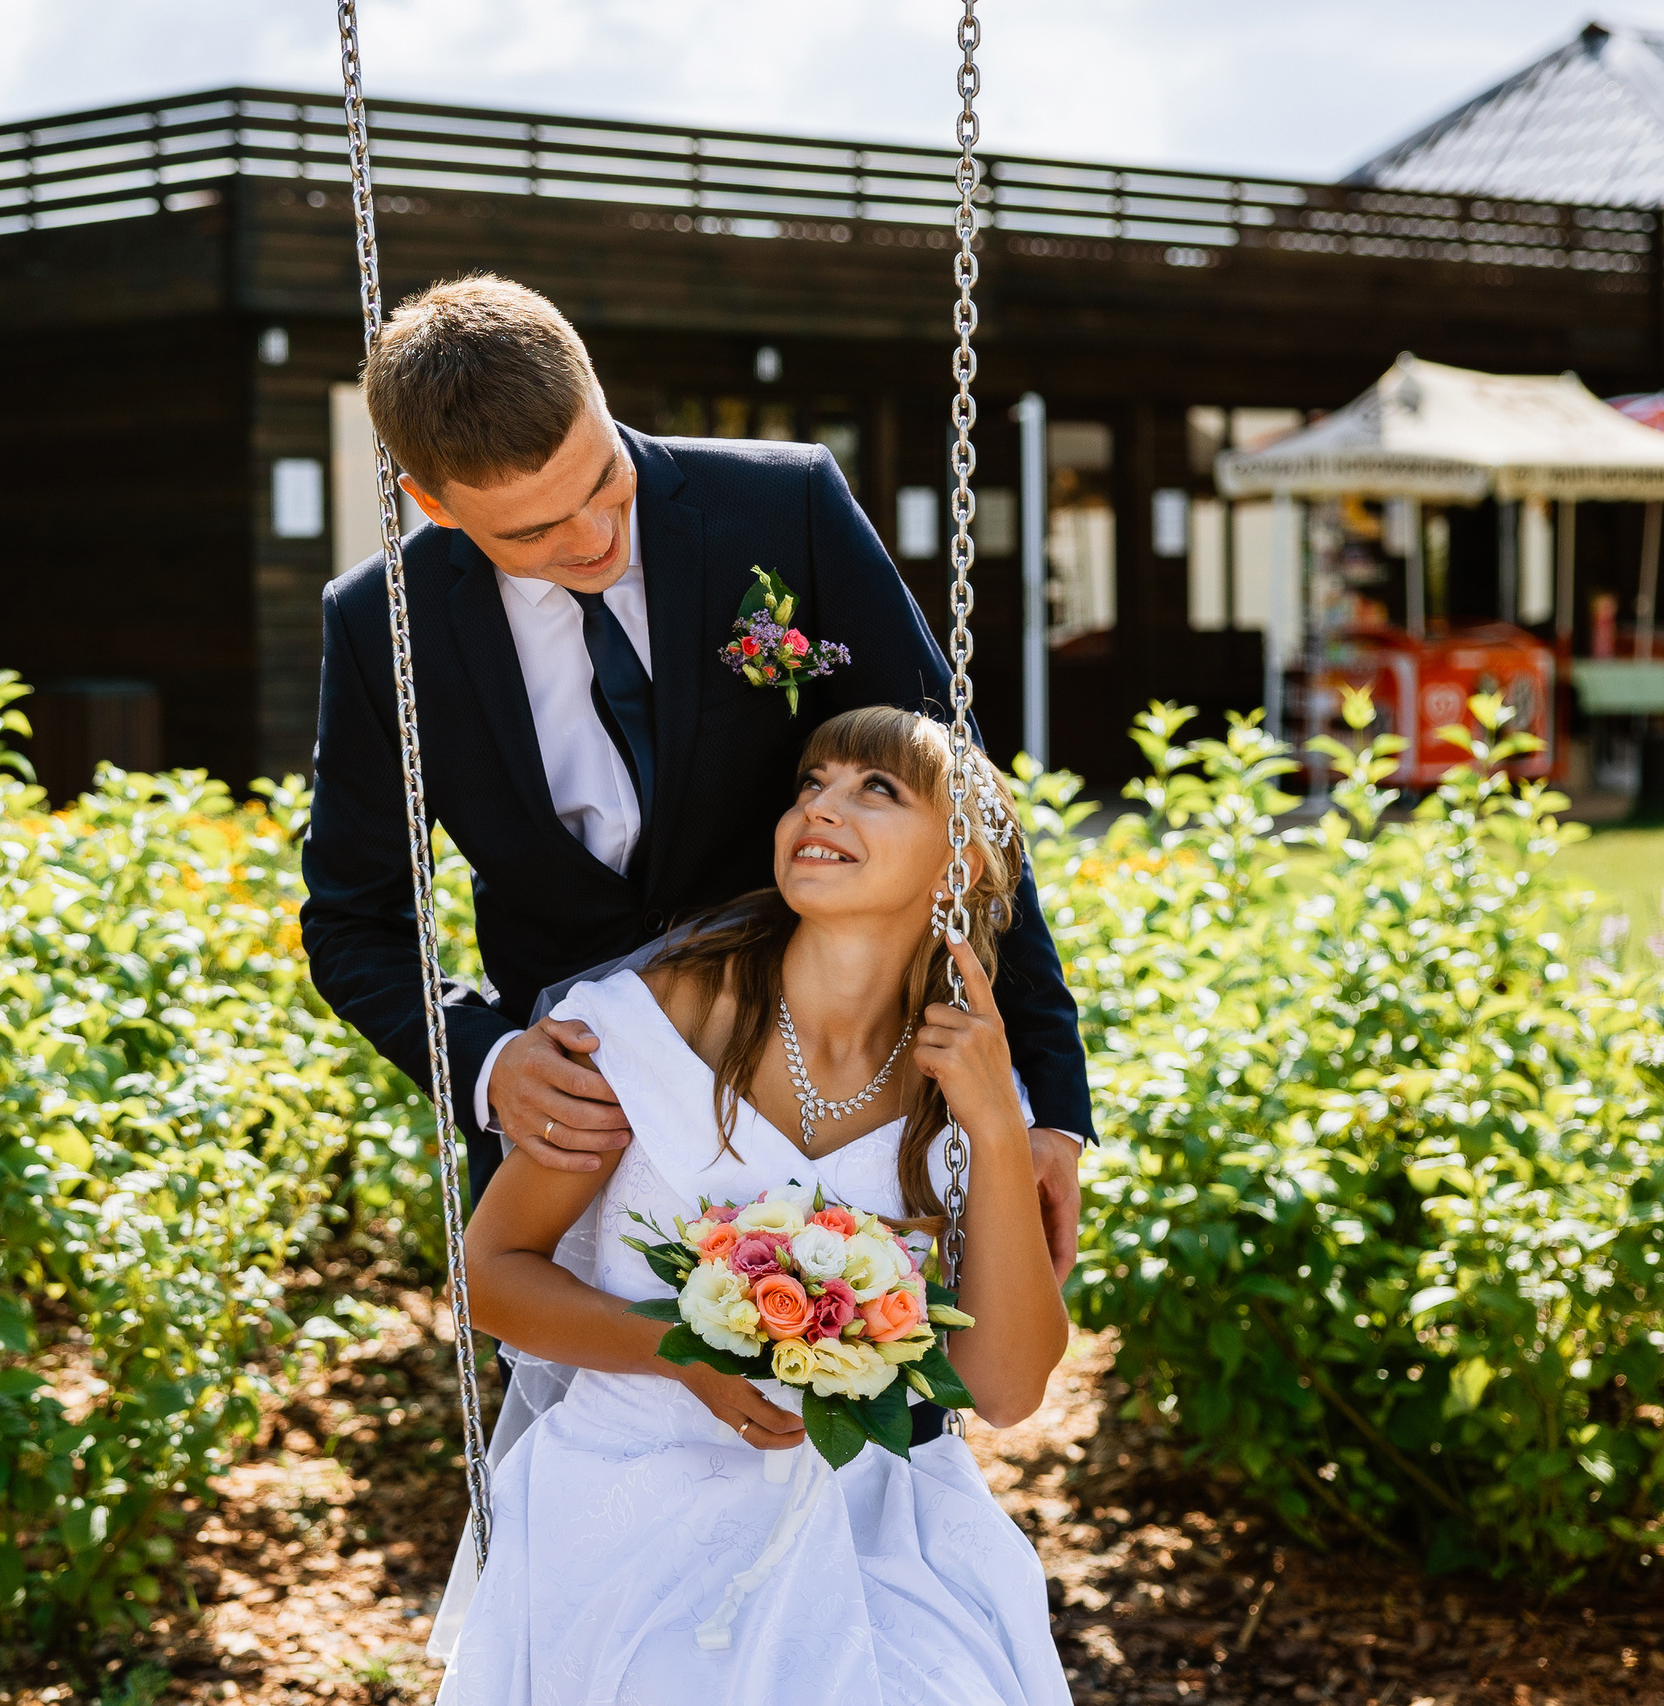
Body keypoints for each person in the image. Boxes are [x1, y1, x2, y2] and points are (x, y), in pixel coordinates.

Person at [299, 274, 1096, 1281]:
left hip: (839, 1088)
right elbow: (351, 916)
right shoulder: (382, 624)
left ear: (596, 393)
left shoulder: (784, 505)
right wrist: (489, 1061)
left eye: (602, 485)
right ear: (432, 505)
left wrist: (1051, 1103)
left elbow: (958, 807)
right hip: (585, 1140)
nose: (589, 541)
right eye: (531, 534)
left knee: (869, 1384)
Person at [431, 706, 1070, 1701]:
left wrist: (994, 1127)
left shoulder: (970, 1080)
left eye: (877, 788)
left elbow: (1005, 1387)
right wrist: (679, 1353)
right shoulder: (645, 1026)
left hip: (864, 1506)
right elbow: (488, 1277)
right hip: (633, 1484)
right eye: (811, 781)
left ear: (966, 864)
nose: (821, 804)